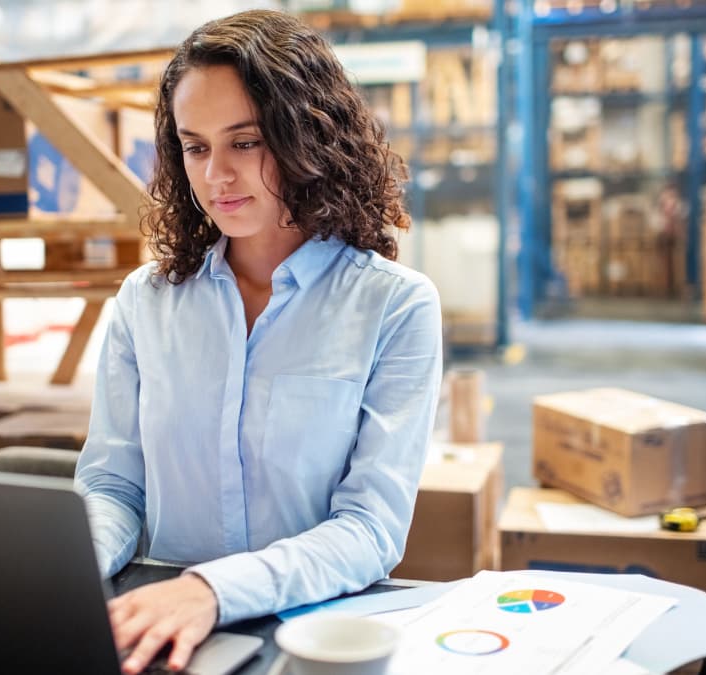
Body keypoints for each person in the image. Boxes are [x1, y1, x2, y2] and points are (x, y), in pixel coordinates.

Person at [74, 9, 443, 673]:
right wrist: (68, 569)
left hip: (313, 639)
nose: (217, 174)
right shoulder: (144, 302)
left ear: (309, 136)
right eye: (195, 146)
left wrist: (212, 590)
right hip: (160, 631)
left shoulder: (395, 306)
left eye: (245, 142)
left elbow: (369, 530)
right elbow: (114, 486)